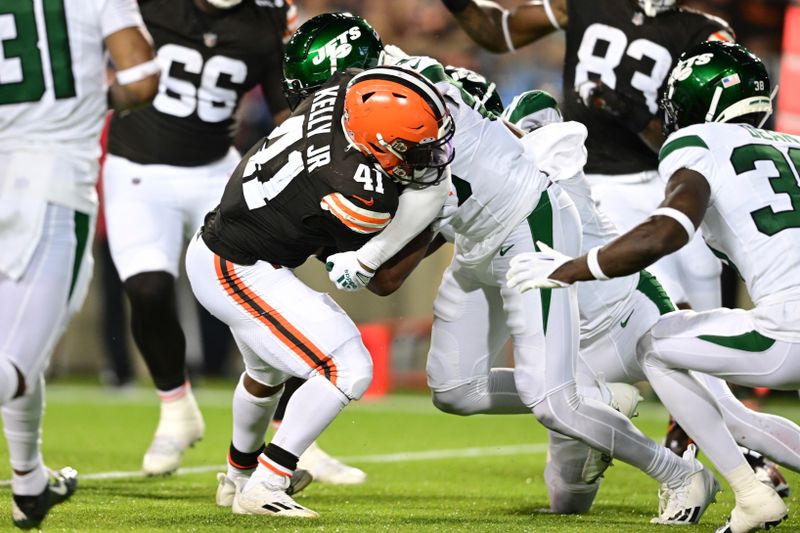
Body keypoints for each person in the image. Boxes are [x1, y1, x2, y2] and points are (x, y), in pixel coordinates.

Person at [227, 12, 731, 527]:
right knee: (455, 389)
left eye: (320, 91)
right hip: (478, 235)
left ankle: (680, 475)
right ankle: (596, 398)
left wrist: (363, 253)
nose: (319, 106)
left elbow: (390, 274)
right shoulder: (395, 84)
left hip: (526, 223)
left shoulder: (400, 100)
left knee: (552, 401)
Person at [506, 41, 795, 532]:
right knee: (725, 399)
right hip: (781, 325)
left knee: (657, 345)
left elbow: (668, 230)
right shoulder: (791, 146)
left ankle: (749, 494)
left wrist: (573, 267)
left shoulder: (698, 142)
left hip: (786, 331)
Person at [441, 0, 736, 457]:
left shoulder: (705, 33)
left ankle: (727, 442)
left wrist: (636, 116)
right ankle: (593, 407)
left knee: (700, 317)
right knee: (605, 320)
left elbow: (708, 138)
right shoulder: (586, 3)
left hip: (671, 181)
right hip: (593, 182)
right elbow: (496, 30)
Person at [186, 65, 454, 517]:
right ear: (374, 146)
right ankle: (267, 482)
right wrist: (443, 224)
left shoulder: (344, 91)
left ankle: (237, 478)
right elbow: (385, 277)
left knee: (266, 373)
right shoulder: (354, 192)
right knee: (347, 367)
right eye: (412, 150)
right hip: (237, 267)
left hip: (231, 244)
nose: (427, 158)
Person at [103, 0, 296, 476]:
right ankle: (176, 411)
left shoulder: (265, 18)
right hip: (136, 168)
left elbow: (284, 110)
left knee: (274, 292)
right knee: (146, 289)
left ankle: (291, 435)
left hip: (215, 170)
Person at [0, 0, 158, 528]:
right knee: (16, 365)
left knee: (22, 344)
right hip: (49, 184)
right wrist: (97, 98)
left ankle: (30, 484)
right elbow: (140, 79)